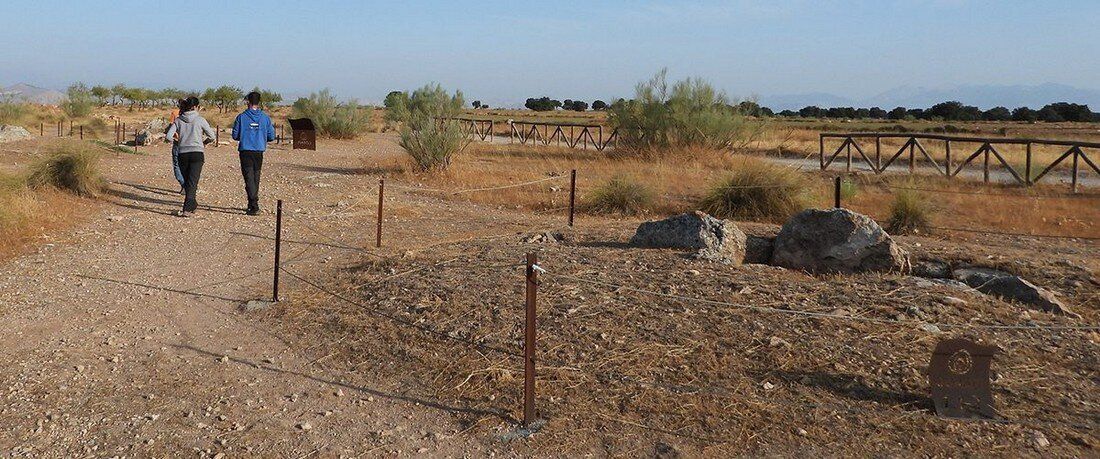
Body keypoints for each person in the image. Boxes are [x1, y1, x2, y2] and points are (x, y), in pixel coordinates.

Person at [165, 97, 216, 217]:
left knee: (188, 181)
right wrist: (205, 142)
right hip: (197, 154)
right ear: (195, 107)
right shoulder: (200, 120)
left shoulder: (178, 120)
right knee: (193, 182)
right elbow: (212, 136)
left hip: (182, 153)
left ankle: (192, 204)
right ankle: (187, 209)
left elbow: (168, 136)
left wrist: (179, 140)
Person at [232, 91, 276, 216]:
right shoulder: (265, 118)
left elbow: (235, 135)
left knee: (249, 177)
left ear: (248, 102)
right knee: (256, 177)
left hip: (246, 151)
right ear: (259, 102)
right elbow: (271, 136)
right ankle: (251, 204)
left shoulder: (241, 117)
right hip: (259, 151)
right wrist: (260, 136)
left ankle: (254, 204)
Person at [167, 99, 186, 194]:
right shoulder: (194, 115)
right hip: (189, 144)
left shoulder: (175, 113)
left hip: (178, 143)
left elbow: (170, 127)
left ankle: (184, 184)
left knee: (176, 165)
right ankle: (189, 185)